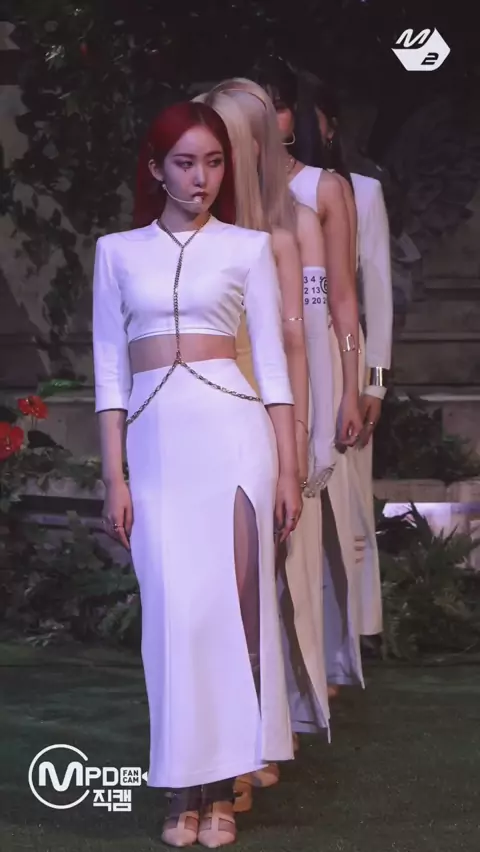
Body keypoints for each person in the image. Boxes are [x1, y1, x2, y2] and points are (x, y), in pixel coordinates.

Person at [92, 100, 302, 848]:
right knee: (173, 617)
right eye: (184, 162)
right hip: (156, 451)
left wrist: (288, 470)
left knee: (232, 615)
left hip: (237, 440)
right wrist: (115, 476)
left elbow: (273, 367)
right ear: (156, 168)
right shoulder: (116, 252)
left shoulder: (250, 248)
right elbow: (109, 373)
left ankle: (218, 792)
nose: (200, 177)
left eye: (213, 162)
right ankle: (181, 782)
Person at [199, 78, 361, 806]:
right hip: (196, 427)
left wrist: (345, 400)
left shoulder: (300, 220)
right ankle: (223, 742)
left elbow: (326, 326)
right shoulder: (187, 229)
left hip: (269, 425)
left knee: (257, 590)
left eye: (231, 142)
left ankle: (251, 742)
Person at [248, 61, 366, 697]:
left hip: (321, 373)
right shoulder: (229, 198)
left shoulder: (327, 190)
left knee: (311, 534)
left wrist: (359, 386)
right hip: (258, 378)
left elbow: (349, 302)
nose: (271, 117)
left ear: (295, 117)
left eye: (281, 105)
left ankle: (316, 679)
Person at [296, 69, 393, 640]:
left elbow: (374, 292)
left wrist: (373, 382)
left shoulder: (362, 191)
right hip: (281, 368)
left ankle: (345, 636)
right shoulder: (256, 193)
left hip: (343, 370)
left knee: (343, 503)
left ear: (330, 126)